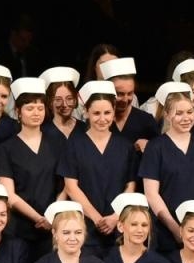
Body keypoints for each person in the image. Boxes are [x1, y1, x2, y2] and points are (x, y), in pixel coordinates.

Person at [139, 82, 194, 254]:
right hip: (166, 235)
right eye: (179, 113)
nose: (186, 118)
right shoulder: (156, 148)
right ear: (168, 115)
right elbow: (151, 194)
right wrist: (176, 229)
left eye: (190, 112)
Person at [58, 80, 137, 251]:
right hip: (85, 229)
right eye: (96, 113)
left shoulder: (125, 146)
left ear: (114, 111)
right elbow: (71, 187)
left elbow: (130, 186)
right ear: (86, 112)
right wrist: (97, 219)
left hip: (119, 228)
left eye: (107, 112)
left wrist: (116, 217)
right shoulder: (74, 145)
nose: (102, 119)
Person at [0, 77, 66, 262]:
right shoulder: (6, 148)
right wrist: (38, 218)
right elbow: (8, 194)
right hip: (19, 228)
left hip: (52, 226)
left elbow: (66, 184)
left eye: (40, 108)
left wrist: (51, 216)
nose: (36, 113)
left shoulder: (57, 143)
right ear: (18, 111)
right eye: (30, 108)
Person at [100, 57, 159, 152]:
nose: (125, 99)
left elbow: (161, 154)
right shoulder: (99, 121)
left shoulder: (146, 121)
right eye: (120, 94)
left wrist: (150, 146)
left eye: (130, 93)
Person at [42, 66, 84, 140]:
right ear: (50, 102)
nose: (64, 104)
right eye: (58, 100)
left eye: (69, 98)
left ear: (75, 99)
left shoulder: (85, 129)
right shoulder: (43, 132)